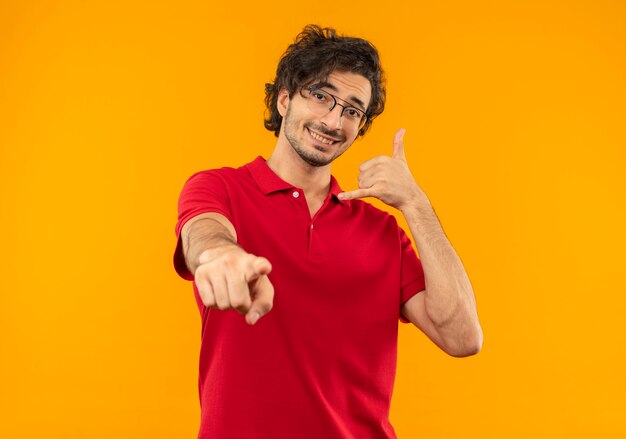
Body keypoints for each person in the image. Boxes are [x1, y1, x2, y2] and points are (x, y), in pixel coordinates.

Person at [173, 24, 483, 439]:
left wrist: (416, 204)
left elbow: (462, 337)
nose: (334, 120)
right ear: (284, 99)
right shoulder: (220, 188)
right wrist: (220, 256)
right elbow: (203, 233)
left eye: (353, 110)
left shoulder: (383, 232)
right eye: (320, 96)